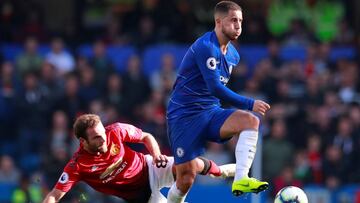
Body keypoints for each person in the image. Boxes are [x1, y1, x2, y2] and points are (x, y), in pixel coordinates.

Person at [166, 1, 271, 202]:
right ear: (218, 21)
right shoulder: (206, 46)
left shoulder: (233, 55)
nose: (238, 25)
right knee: (185, 179)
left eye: (240, 21)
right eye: (233, 20)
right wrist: (249, 103)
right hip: (184, 116)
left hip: (210, 111)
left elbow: (214, 92)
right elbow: (215, 87)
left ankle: (241, 179)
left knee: (250, 122)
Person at [43, 114, 235, 203]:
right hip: (142, 197)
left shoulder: (115, 130)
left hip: (149, 167)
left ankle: (220, 171)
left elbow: (145, 136)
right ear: (83, 141)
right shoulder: (78, 165)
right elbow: (54, 195)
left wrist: (156, 154)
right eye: (96, 137)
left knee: (187, 166)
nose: (103, 139)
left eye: (103, 133)